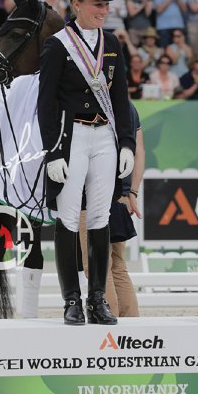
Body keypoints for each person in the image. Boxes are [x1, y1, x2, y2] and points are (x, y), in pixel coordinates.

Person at [38, 0, 135, 326]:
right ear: (76, 2)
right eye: (97, 4)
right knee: (67, 217)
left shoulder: (112, 45)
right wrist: (53, 152)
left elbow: (120, 98)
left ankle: (97, 298)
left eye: (107, 4)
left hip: (104, 137)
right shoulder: (58, 45)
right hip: (72, 137)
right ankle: (71, 299)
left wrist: (127, 144)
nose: (104, 11)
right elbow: (46, 105)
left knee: (99, 217)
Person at [79, 102, 145, 317]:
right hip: (120, 198)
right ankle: (131, 323)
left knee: (97, 267)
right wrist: (131, 191)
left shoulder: (89, 101)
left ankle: (109, 321)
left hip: (93, 195)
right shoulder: (128, 107)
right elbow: (139, 151)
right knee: (117, 265)